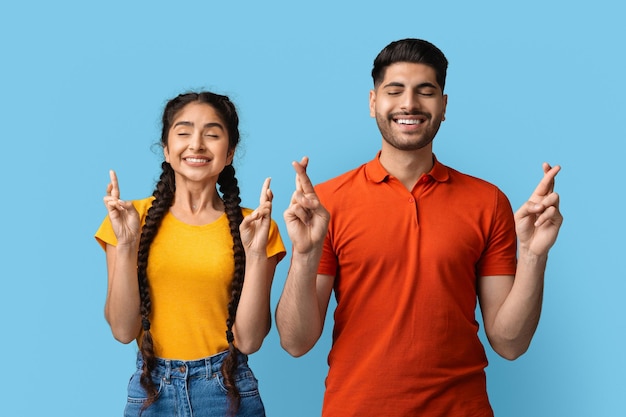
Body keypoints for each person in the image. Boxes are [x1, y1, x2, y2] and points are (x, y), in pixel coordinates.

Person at [277, 39, 563, 417]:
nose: (409, 104)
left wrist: (533, 254)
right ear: (373, 102)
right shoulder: (327, 202)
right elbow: (296, 342)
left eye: (425, 92)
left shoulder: (488, 202)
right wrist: (305, 253)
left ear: (443, 106)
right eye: (394, 91)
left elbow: (510, 343)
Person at [95, 91, 286, 417]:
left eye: (212, 134)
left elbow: (251, 341)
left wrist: (254, 255)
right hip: (151, 391)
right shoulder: (129, 219)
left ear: (230, 153)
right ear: (167, 150)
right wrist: (127, 244)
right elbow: (123, 331)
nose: (196, 144)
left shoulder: (254, 226)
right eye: (184, 133)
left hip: (229, 392)